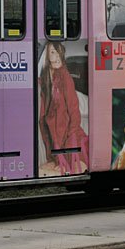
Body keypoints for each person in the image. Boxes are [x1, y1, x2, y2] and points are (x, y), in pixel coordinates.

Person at [38, 42, 88, 174]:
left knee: (77, 169)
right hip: (56, 141)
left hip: (71, 139)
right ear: (47, 56)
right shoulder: (45, 80)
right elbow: (44, 119)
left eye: (59, 52)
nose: (57, 56)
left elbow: (74, 111)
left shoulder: (65, 77)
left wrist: (71, 141)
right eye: (53, 52)